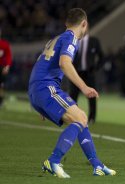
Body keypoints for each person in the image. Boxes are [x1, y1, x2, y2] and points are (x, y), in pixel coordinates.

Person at [28, 8, 116, 178]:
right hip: (46, 87)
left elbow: (39, 65)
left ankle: (97, 165)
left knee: (81, 119)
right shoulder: (71, 37)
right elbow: (65, 63)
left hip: (38, 88)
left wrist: (38, 102)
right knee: (81, 118)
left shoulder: (57, 38)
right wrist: (84, 87)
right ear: (84, 24)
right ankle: (53, 161)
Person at [69, 31, 104, 123]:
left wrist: (95, 68)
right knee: (73, 95)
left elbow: (102, 57)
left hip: (89, 73)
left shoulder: (94, 41)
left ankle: (92, 118)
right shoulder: (74, 40)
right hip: (76, 73)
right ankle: (73, 116)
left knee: (91, 95)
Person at [0, 28, 12, 107]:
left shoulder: (4, 44)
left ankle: (0, 101)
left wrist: (7, 66)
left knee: (1, 85)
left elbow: (8, 56)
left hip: (1, 67)